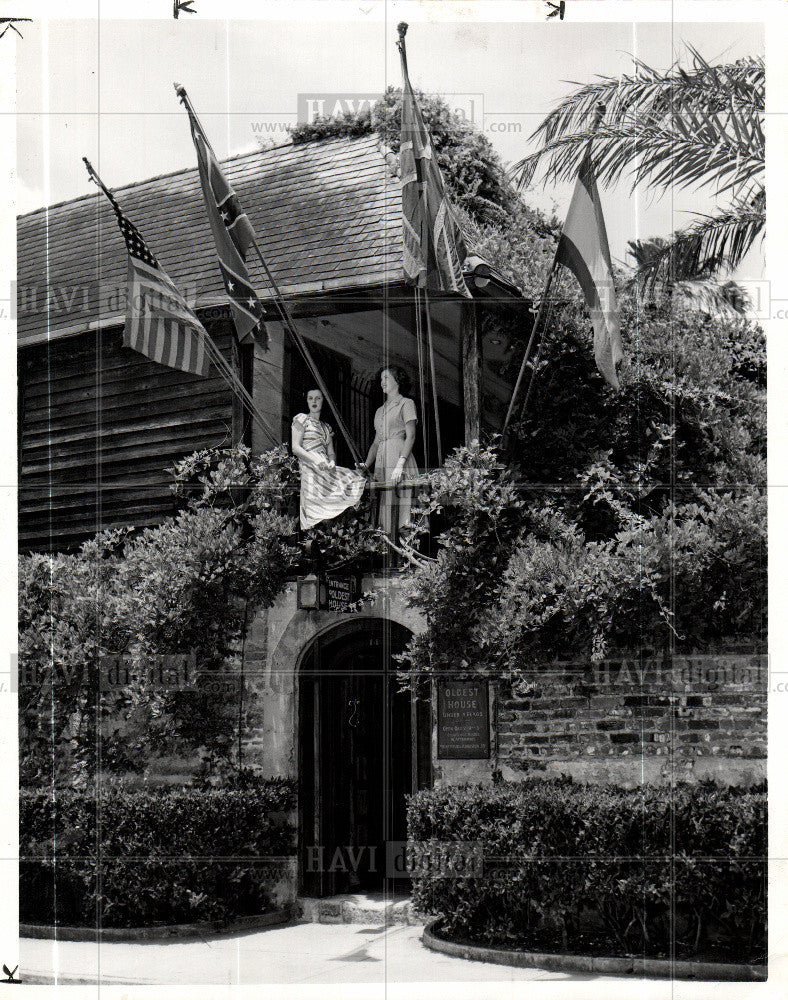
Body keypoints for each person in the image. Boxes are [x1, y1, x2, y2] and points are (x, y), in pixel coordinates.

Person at [357, 366, 419, 539]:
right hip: (383, 460)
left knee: (402, 504)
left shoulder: (406, 403)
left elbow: (411, 436)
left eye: (386, 378)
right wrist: (366, 464)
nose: (382, 382)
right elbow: (377, 442)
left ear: (397, 381)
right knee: (385, 504)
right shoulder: (379, 411)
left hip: (399, 457)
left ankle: (407, 553)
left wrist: (400, 464)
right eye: (381, 379)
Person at [291, 389, 365, 530]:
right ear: (306, 400)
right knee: (315, 506)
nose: (314, 401)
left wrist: (331, 462)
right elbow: (296, 448)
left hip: (325, 467)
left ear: (323, 401)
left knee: (352, 478)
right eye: (310, 398)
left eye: (318, 398)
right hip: (310, 466)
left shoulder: (325, 428)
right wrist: (315, 460)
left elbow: (331, 453)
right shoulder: (302, 420)